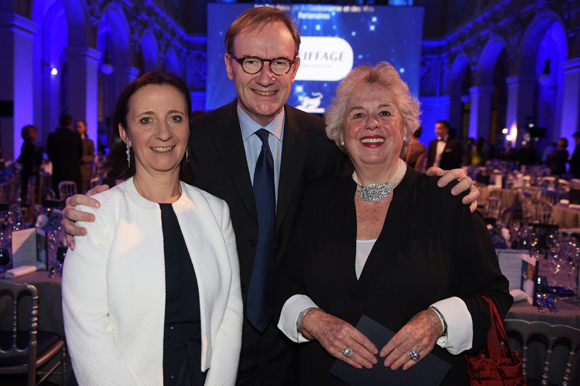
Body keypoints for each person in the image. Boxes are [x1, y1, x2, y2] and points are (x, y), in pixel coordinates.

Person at [61, 8, 479, 386]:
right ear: (229, 65)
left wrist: (438, 181)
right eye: (251, 62)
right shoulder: (192, 138)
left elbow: (376, 176)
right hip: (209, 343)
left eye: (279, 62)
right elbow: (145, 181)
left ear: (295, 67)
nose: (266, 76)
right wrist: (92, 204)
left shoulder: (325, 141)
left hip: (301, 351)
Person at [274, 63, 511, 386]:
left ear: (406, 129)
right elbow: (284, 283)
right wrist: (312, 320)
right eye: (357, 115)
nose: (372, 124)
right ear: (340, 133)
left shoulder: (447, 201)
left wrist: (437, 321)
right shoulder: (316, 199)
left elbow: (493, 295)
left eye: (385, 113)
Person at [62, 72, 243, 385]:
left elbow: (230, 313)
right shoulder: (97, 215)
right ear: (125, 133)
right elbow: (88, 331)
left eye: (175, 118)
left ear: (189, 127)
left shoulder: (217, 212)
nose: (163, 133)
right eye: (146, 120)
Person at [47, 113, 83, 197]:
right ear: (70, 123)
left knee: (58, 197)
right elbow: (80, 155)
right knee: (74, 197)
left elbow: (50, 155)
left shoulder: (52, 137)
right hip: (73, 172)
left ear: (60, 123)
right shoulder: (76, 136)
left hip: (58, 171)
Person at [17, 125, 43, 202]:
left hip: (29, 173)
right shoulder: (29, 146)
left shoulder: (27, 145)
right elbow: (38, 158)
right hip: (31, 174)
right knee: (31, 196)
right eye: (32, 132)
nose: (35, 134)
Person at [74, 120, 96, 192]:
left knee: (83, 192)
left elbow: (92, 156)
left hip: (84, 172)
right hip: (73, 171)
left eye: (79, 127)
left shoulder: (89, 142)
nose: (77, 129)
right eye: (76, 127)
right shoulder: (72, 140)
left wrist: (84, 158)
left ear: (84, 127)